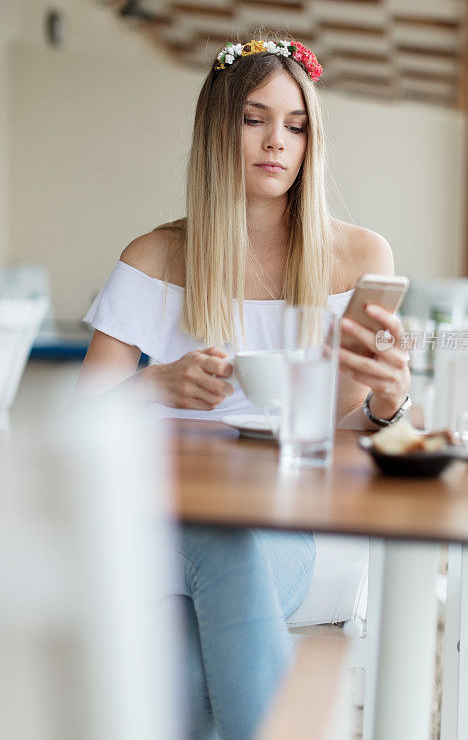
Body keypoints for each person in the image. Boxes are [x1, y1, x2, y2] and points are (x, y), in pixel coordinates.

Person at [73, 37, 410, 740]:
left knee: (189, 627)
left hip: (286, 518)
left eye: (295, 124)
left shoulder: (358, 256)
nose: (276, 142)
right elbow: (78, 424)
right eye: (254, 119)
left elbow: (365, 414)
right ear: (217, 128)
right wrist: (156, 385)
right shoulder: (156, 257)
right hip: (157, 511)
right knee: (217, 557)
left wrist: (389, 400)